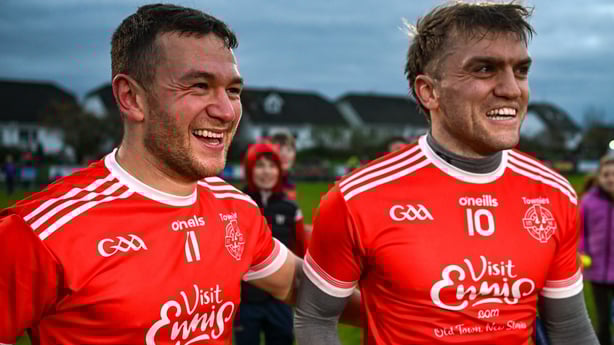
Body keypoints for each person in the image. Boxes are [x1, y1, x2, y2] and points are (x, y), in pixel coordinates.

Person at [0, 4, 357, 344]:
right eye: (198, 86)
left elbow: (300, 287)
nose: (226, 111)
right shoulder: (38, 233)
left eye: (232, 90)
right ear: (131, 98)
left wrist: (404, 307)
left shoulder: (236, 209)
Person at [295, 2, 598, 345]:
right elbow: (315, 317)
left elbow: (570, 328)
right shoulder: (357, 198)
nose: (512, 89)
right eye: (485, 69)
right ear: (429, 92)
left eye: (521, 70)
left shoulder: (554, 192)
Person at [234, 142, 306, 345]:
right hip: (245, 300)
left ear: (279, 169)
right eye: (260, 165)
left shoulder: (290, 208)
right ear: (249, 169)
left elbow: (302, 252)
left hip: (281, 298)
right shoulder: (236, 203)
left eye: (272, 165)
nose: (266, 172)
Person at [579, 154, 614, 345]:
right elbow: (580, 231)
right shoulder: (589, 202)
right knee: (602, 320)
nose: (610, 178)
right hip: (597, 270)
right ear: (599, 177)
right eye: (606, 174)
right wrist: (582, 251)